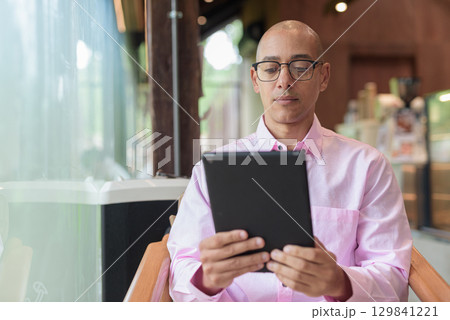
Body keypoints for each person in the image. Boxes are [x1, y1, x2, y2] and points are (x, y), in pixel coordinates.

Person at [167, 20, 412, 302]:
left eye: (300, 67)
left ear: (323, 76)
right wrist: (206, 280)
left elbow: (394, 281)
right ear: (255, 80)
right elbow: (181, 269)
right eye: (271, 69)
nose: (285, 80)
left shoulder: (368, 166)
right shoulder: (214, 168)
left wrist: (340, 282)